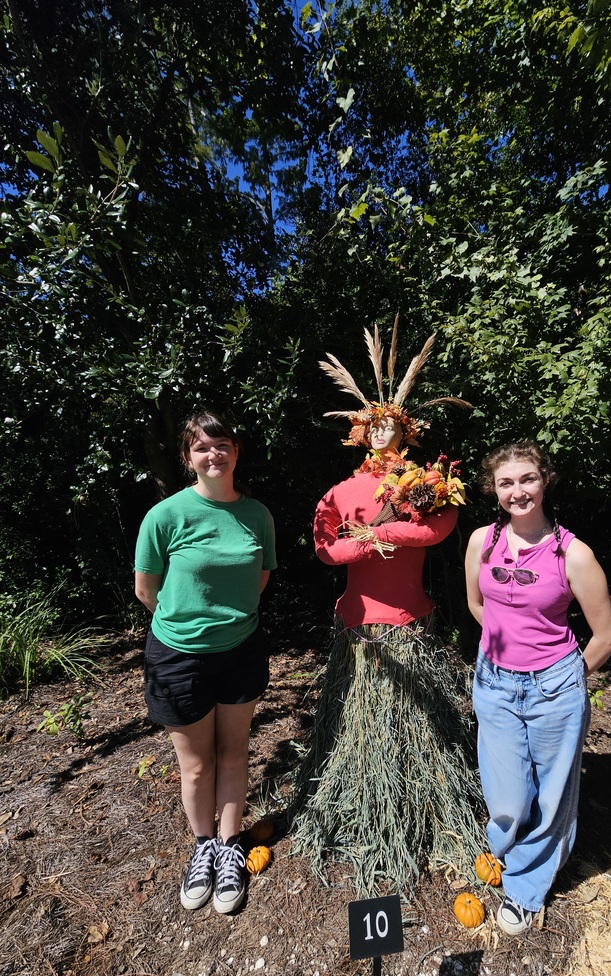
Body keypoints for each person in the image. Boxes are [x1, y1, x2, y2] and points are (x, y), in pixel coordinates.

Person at [290, 321, 484, 893]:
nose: (380, 432)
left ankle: (426, 798)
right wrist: (365, 545)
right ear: (360, 432)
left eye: (390, 425)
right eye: (372, 425)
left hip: (409, 620)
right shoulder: (341, 491)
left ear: (405, 431)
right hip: (359, 622)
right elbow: (325, 546)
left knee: (423, 722)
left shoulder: (425, 482)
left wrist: (385, 532)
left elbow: (440, 527)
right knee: (352, 718)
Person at [464, 440, 611, 935]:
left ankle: (525, 889)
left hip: (554, 687)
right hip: (493, 683)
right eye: (506, 482)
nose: (518, 491)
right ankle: (506, 849)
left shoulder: (573, 554)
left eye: (527, 479)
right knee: (507, 793)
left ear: (545, 480)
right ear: (493, 490)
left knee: (552, 799)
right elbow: (477, 606)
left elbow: (607, 636)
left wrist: (561, 678)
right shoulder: (482, 542)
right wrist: (506, 650)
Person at [134, 410, 276, 914]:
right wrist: (190, 627)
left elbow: (260, 576)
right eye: (202, 447)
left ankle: (230, 846)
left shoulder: (257, 514)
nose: (213, 454)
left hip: (241, 649)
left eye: (223, 445)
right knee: (196, 767)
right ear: (187, 457)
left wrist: (227, 620)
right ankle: (203, 848)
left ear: (236, 452)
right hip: (179, 657)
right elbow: (146, 590)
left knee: (235, 754)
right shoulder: (166, 516)